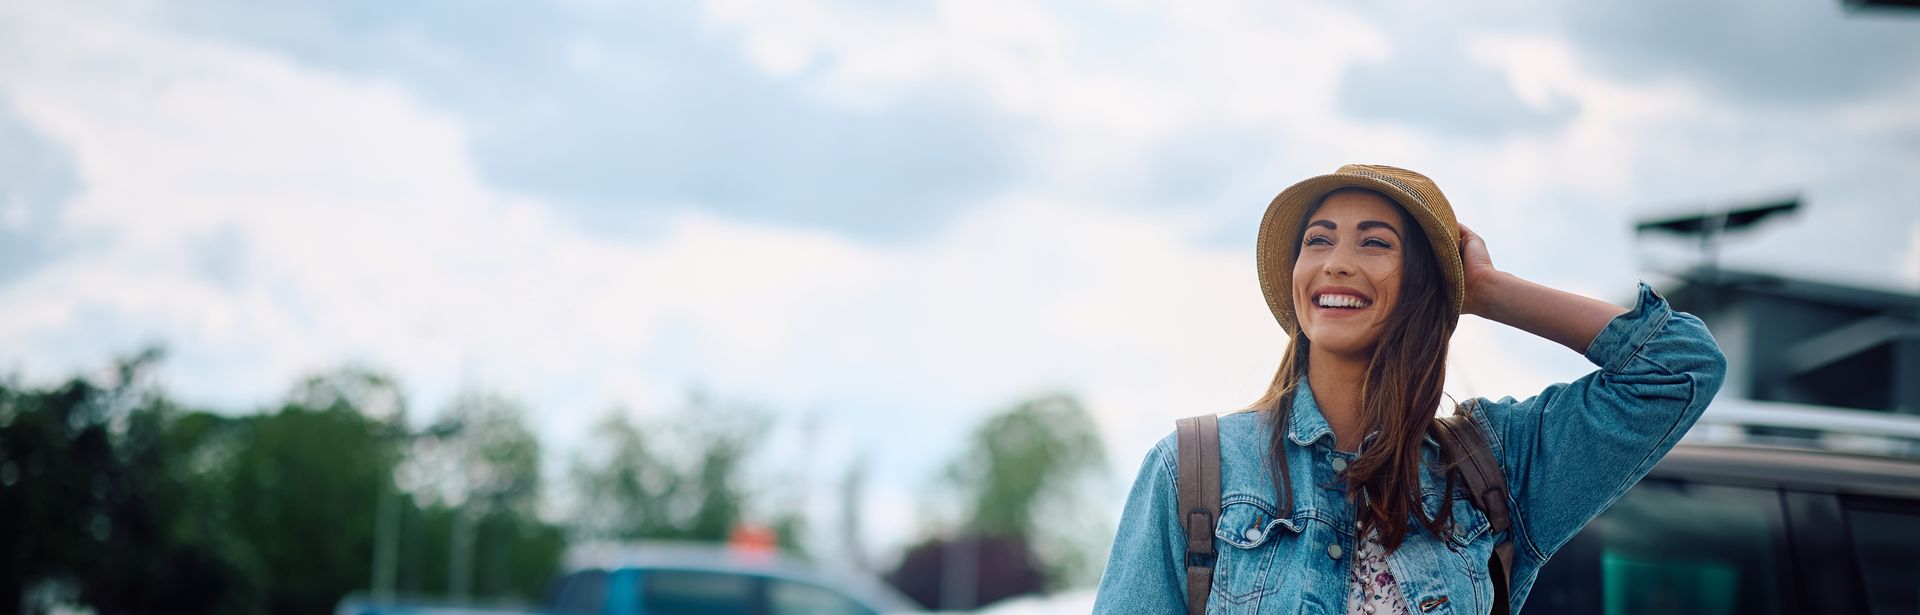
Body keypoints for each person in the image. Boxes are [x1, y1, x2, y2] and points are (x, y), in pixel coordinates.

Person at [1092, 164, 1726, 614]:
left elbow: (1679, 365)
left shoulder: (1494, 468)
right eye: (1318, 240)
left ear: (1421, 284)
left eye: (1374, 243)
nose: (1337, 262)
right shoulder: (1194, 470)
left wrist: (1484, 290)